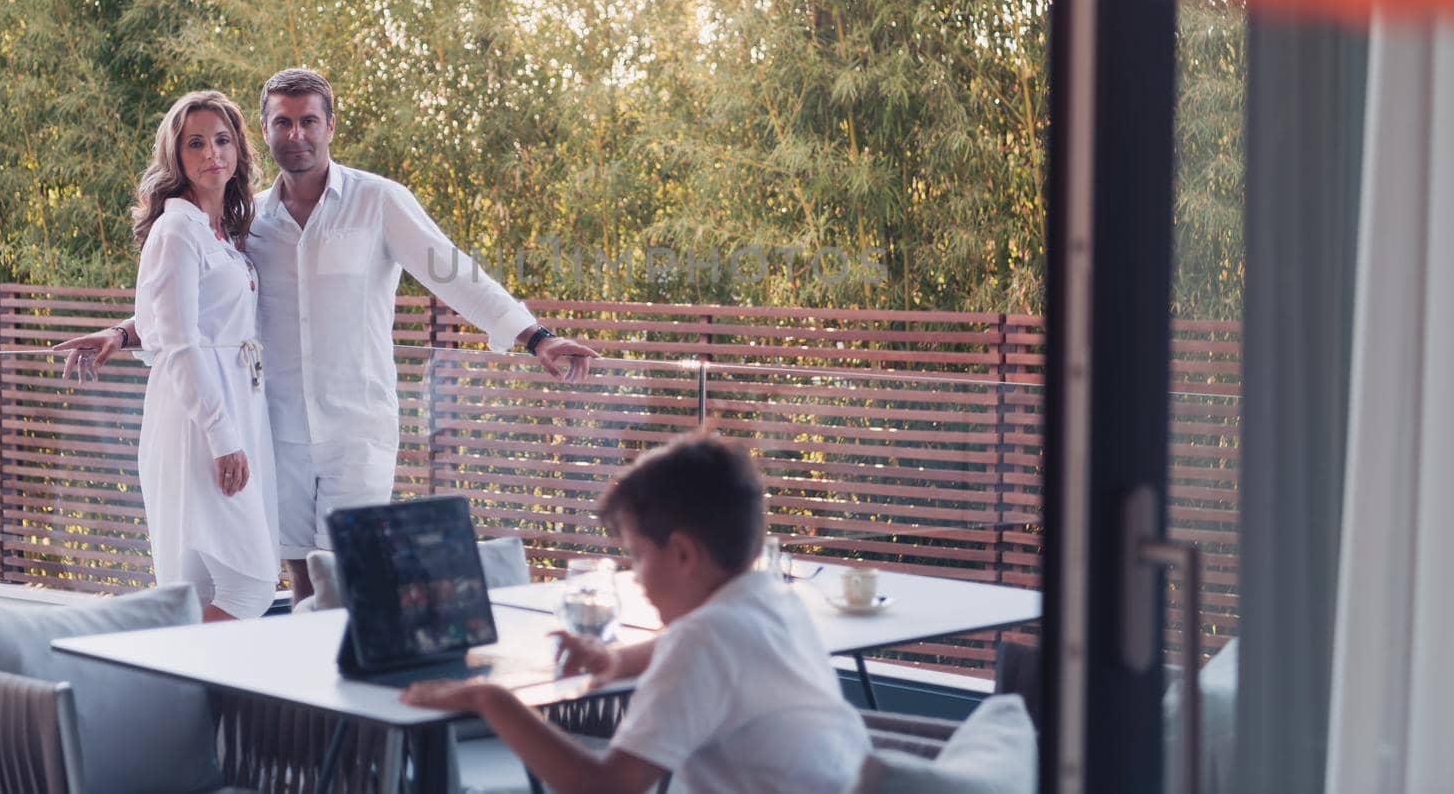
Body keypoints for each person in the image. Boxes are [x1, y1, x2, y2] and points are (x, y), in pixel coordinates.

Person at [61, 68, 597, 604]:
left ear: (331, 125)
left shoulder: (378, 202)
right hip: (277, 428)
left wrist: (536, 337)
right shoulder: (248, 218)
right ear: (265, 134)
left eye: (309, 121)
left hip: (357, 429)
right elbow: (208, 308)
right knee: (300, 583)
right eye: (282, 123)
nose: (297, 135)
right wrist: (123, 333)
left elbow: (452, 272)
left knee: (348, 584)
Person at [401, 433, 872, 794]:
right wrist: (617, 662)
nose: (637, 576)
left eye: (638, 555)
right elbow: (688, 644)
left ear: (684, 555)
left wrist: (492, 700)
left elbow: (604, 788)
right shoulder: (770, 600)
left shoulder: (705, 641)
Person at [130, 90, 279, 622]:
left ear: (238, 149)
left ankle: (185, 703)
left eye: (222, 139)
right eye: (196, 143)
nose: (212, 152)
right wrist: (221, 436)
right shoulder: (176, 229)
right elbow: (177, 339)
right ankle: (152, 688)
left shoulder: (222, 234)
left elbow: (170, 319)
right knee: (251, 584)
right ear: (177, 156)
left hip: (237, 406)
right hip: (200, 421)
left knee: (195, 588)